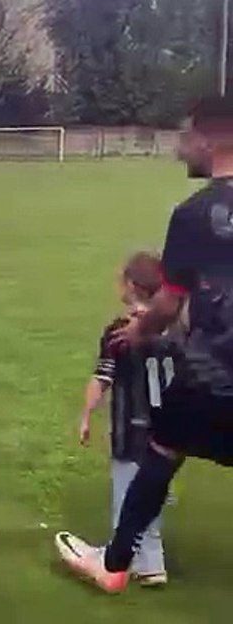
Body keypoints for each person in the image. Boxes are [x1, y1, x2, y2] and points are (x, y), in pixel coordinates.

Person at [56, 96, 233, 593]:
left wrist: (138, 331)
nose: (180, 150)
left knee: (161, 452)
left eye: (184, 138)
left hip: (214, 370)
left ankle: (114, 564)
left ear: (207, 139)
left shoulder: (193, 214)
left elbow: (167, 306)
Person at [72, 251, 177, 587]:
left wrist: (86, 414)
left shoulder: (121, 331)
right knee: (151, 491)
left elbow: (102, 378)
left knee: (127, 498)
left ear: (131, 286)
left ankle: (127, 564)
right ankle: (152, 559)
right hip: (170, 428)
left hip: (130, 425)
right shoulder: (173, 328)